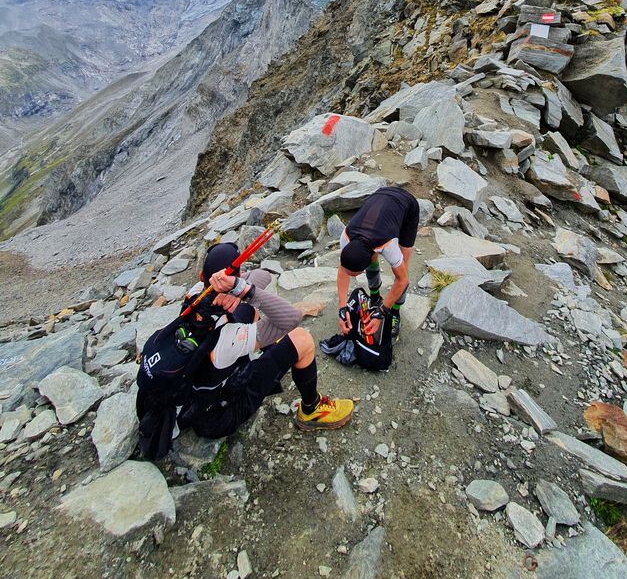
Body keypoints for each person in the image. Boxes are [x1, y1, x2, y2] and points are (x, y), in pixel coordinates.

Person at [137, 241, 353, 454]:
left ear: (202, 276)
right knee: (301, 339)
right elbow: (292, 318)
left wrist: (234, 290)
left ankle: (255, 356)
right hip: (216, 416)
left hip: (191, 390)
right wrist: (242, 290)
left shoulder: (194, 295)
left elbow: (263, 276)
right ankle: (311, 409)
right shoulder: (229, 338)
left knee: (249, 311)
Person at [336, 185, 419, 343]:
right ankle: (374, 296)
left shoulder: (388, 246)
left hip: (407, 205)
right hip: (380, 197)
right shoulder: (346, 238)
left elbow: (402, 281)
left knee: (403, 266)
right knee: (369, 253)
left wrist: (383, 311)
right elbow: (343, 270)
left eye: (354, 274)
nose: (350, 275)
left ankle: (395, 312)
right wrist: (342, 307)